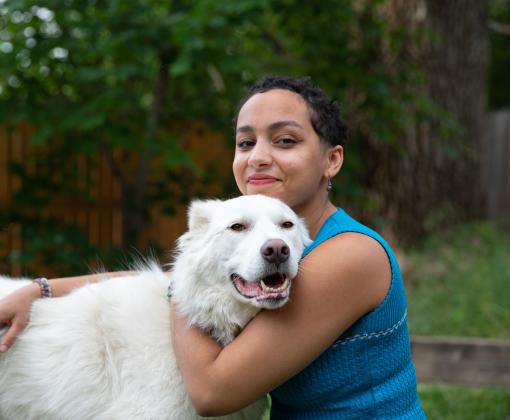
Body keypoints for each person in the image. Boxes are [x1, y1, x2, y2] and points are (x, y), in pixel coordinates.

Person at [0, 76, 425, 419]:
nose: (258, 156)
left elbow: (212, 392)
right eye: (245, 143)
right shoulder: (277, 251)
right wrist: (42, 290)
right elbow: (177, 280)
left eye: (285, 141)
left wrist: (184, 285)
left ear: (332, 160)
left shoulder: (349, 255)